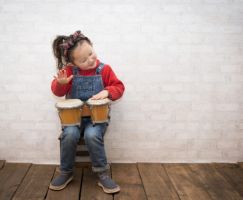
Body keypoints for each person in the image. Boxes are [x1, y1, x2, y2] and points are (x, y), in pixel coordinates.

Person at [49, 30, 125, 194]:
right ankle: (66, 171)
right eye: (83, 60)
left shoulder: (104, 70)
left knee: (92, 135)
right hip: (73, 119)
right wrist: (61, 83)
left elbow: (119, 87)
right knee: (69, 135)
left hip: (97, 119)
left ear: (92, 46)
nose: (91, 60)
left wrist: (108, 91)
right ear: (73, 63)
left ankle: (102, 173)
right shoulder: (70, 72)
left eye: (91, 53)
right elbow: (57, 92)